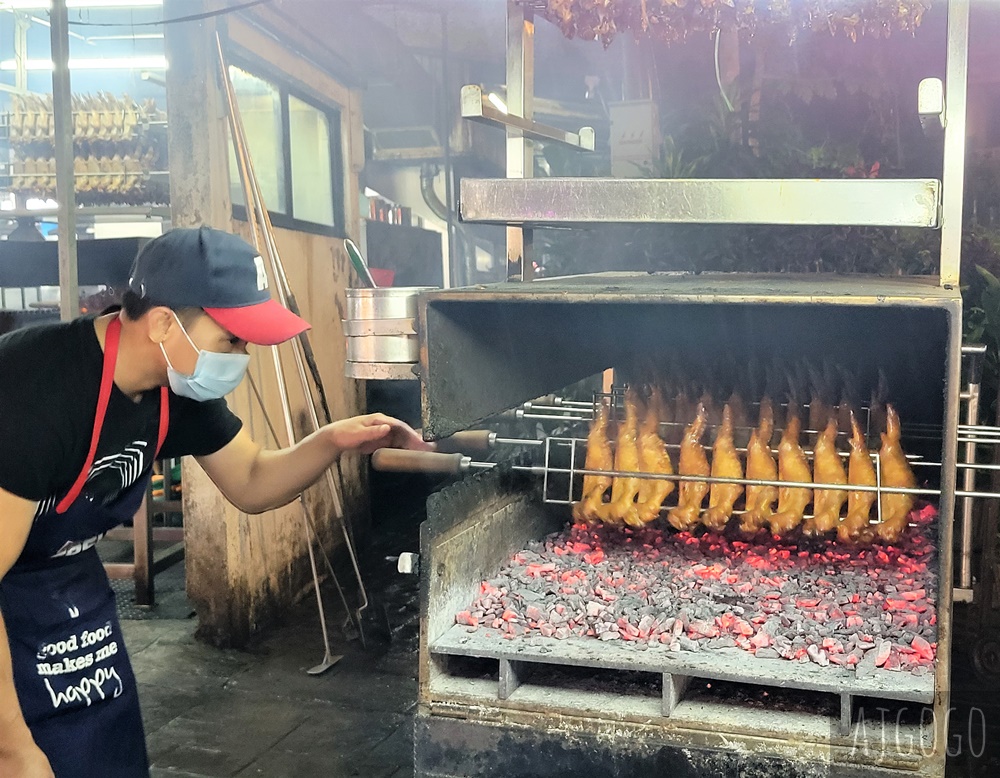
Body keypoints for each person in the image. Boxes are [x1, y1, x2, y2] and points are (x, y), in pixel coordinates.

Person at [0, 226, 430, 777]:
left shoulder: (172, 384)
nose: (242, 355)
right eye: (232, 338)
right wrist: (12, 750)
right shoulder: (36, 390)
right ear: (162, 322)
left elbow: (250, 479)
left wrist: (335, 440)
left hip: (72, 604)